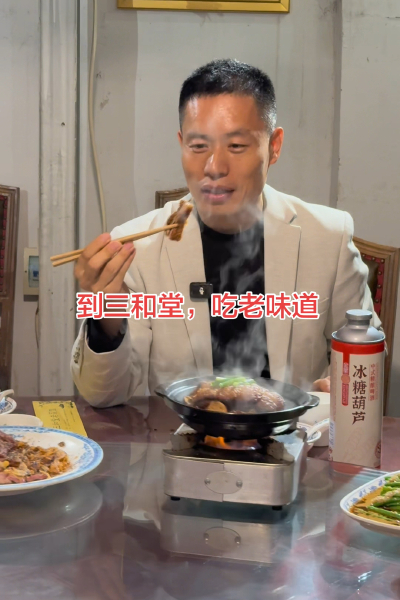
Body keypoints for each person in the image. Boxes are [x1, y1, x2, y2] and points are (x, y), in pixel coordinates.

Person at [71, 59, 380, 408]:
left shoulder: (328, 237)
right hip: (183, 437)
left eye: (236, 146)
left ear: (274, 146)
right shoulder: (137, 247)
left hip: (292, 435)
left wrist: (339, 385)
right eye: (198, 146)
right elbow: (103, 395)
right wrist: (106, 317)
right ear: (181, 144)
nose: (214, 167)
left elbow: (364, 353)